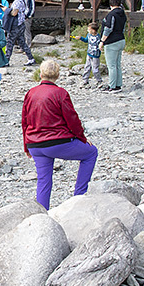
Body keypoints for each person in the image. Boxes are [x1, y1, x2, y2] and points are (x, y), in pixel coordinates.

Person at [22, 59, 98, 209]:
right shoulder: (60, 93)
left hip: (35, 144)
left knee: (44, 180)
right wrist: (82, 138)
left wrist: (26, 147)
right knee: (91, 153)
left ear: (41, 74)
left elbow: (25, 120)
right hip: (57, 142)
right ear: (57, 76)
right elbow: (72, 119)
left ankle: (43, 214)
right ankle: (79, 197)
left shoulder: (31, 93)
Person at [4, 0, 37, 66]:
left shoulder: (17, 1)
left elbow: (14, 13)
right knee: (22, 42)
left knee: (10, 42)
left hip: (15, 25)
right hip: (21, 24)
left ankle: (6, 61)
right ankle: (31, 58)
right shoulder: (21, 0)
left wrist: (6, 10)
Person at [100, 0, 127, 92]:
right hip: (121, 39)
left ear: (111, 5)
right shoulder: (122, 13)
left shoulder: (111, 15)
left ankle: (112, 86)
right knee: (117, 64)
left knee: (111, 66)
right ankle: (118, 84)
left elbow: (108, 29)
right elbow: (123, 28)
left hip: (112, 42)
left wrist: (102, 41)